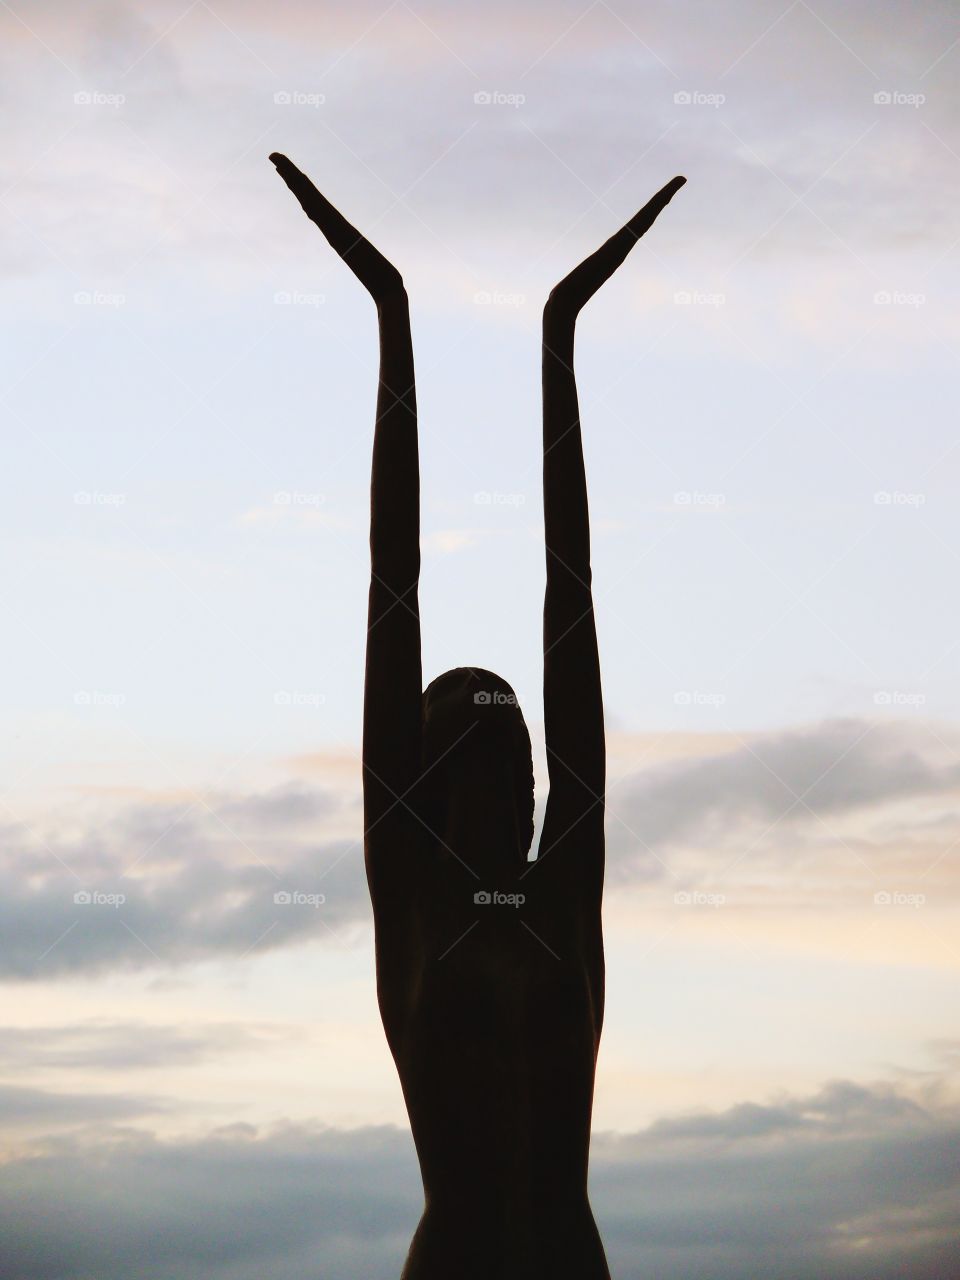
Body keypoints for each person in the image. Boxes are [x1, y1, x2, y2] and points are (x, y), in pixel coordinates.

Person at [270, 152, 685, 1279]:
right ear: (430, 774)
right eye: (475, 738)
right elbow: (391, 578)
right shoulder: (410, 898)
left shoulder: (564, 884)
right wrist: (391, 312)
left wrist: (559, 338)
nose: (510, 762)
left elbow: (572, 594)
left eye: (515, 744)